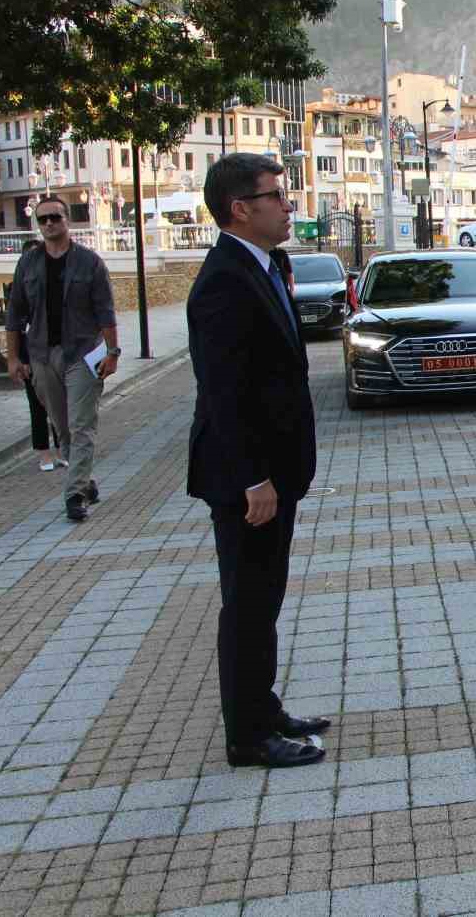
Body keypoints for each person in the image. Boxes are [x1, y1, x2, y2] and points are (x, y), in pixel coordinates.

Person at [187, 152, 327, 770]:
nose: (287, 202)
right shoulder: (223, 279)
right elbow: (223, 392)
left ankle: (263, 706)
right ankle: (247, 736)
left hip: (276, 470)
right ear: (241, 209)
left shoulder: (266, 263)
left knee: (265, 596)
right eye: (276, 194)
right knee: (246, 601)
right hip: (249, 480)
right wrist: (254, 478)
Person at [6, 195, 120, 522]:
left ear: (67, 219)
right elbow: (15, 316)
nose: (49, 224)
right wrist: (14, 358)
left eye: (55, 217)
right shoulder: (28, 263)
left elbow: (106, 312)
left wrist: (112, 352)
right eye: (43, 220)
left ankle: (74, 495)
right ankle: (85, 480)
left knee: (82, 424)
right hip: (42, 355)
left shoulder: (89, 262)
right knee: (63, 427)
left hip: (83, 353)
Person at [15, 238, 59, 471]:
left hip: (55, 357)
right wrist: (21, 361)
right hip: (31, 359)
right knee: (38, 408)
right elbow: (16, 329)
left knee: (58, 406)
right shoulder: (19, 295)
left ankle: (62, 449)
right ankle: (44, 454)